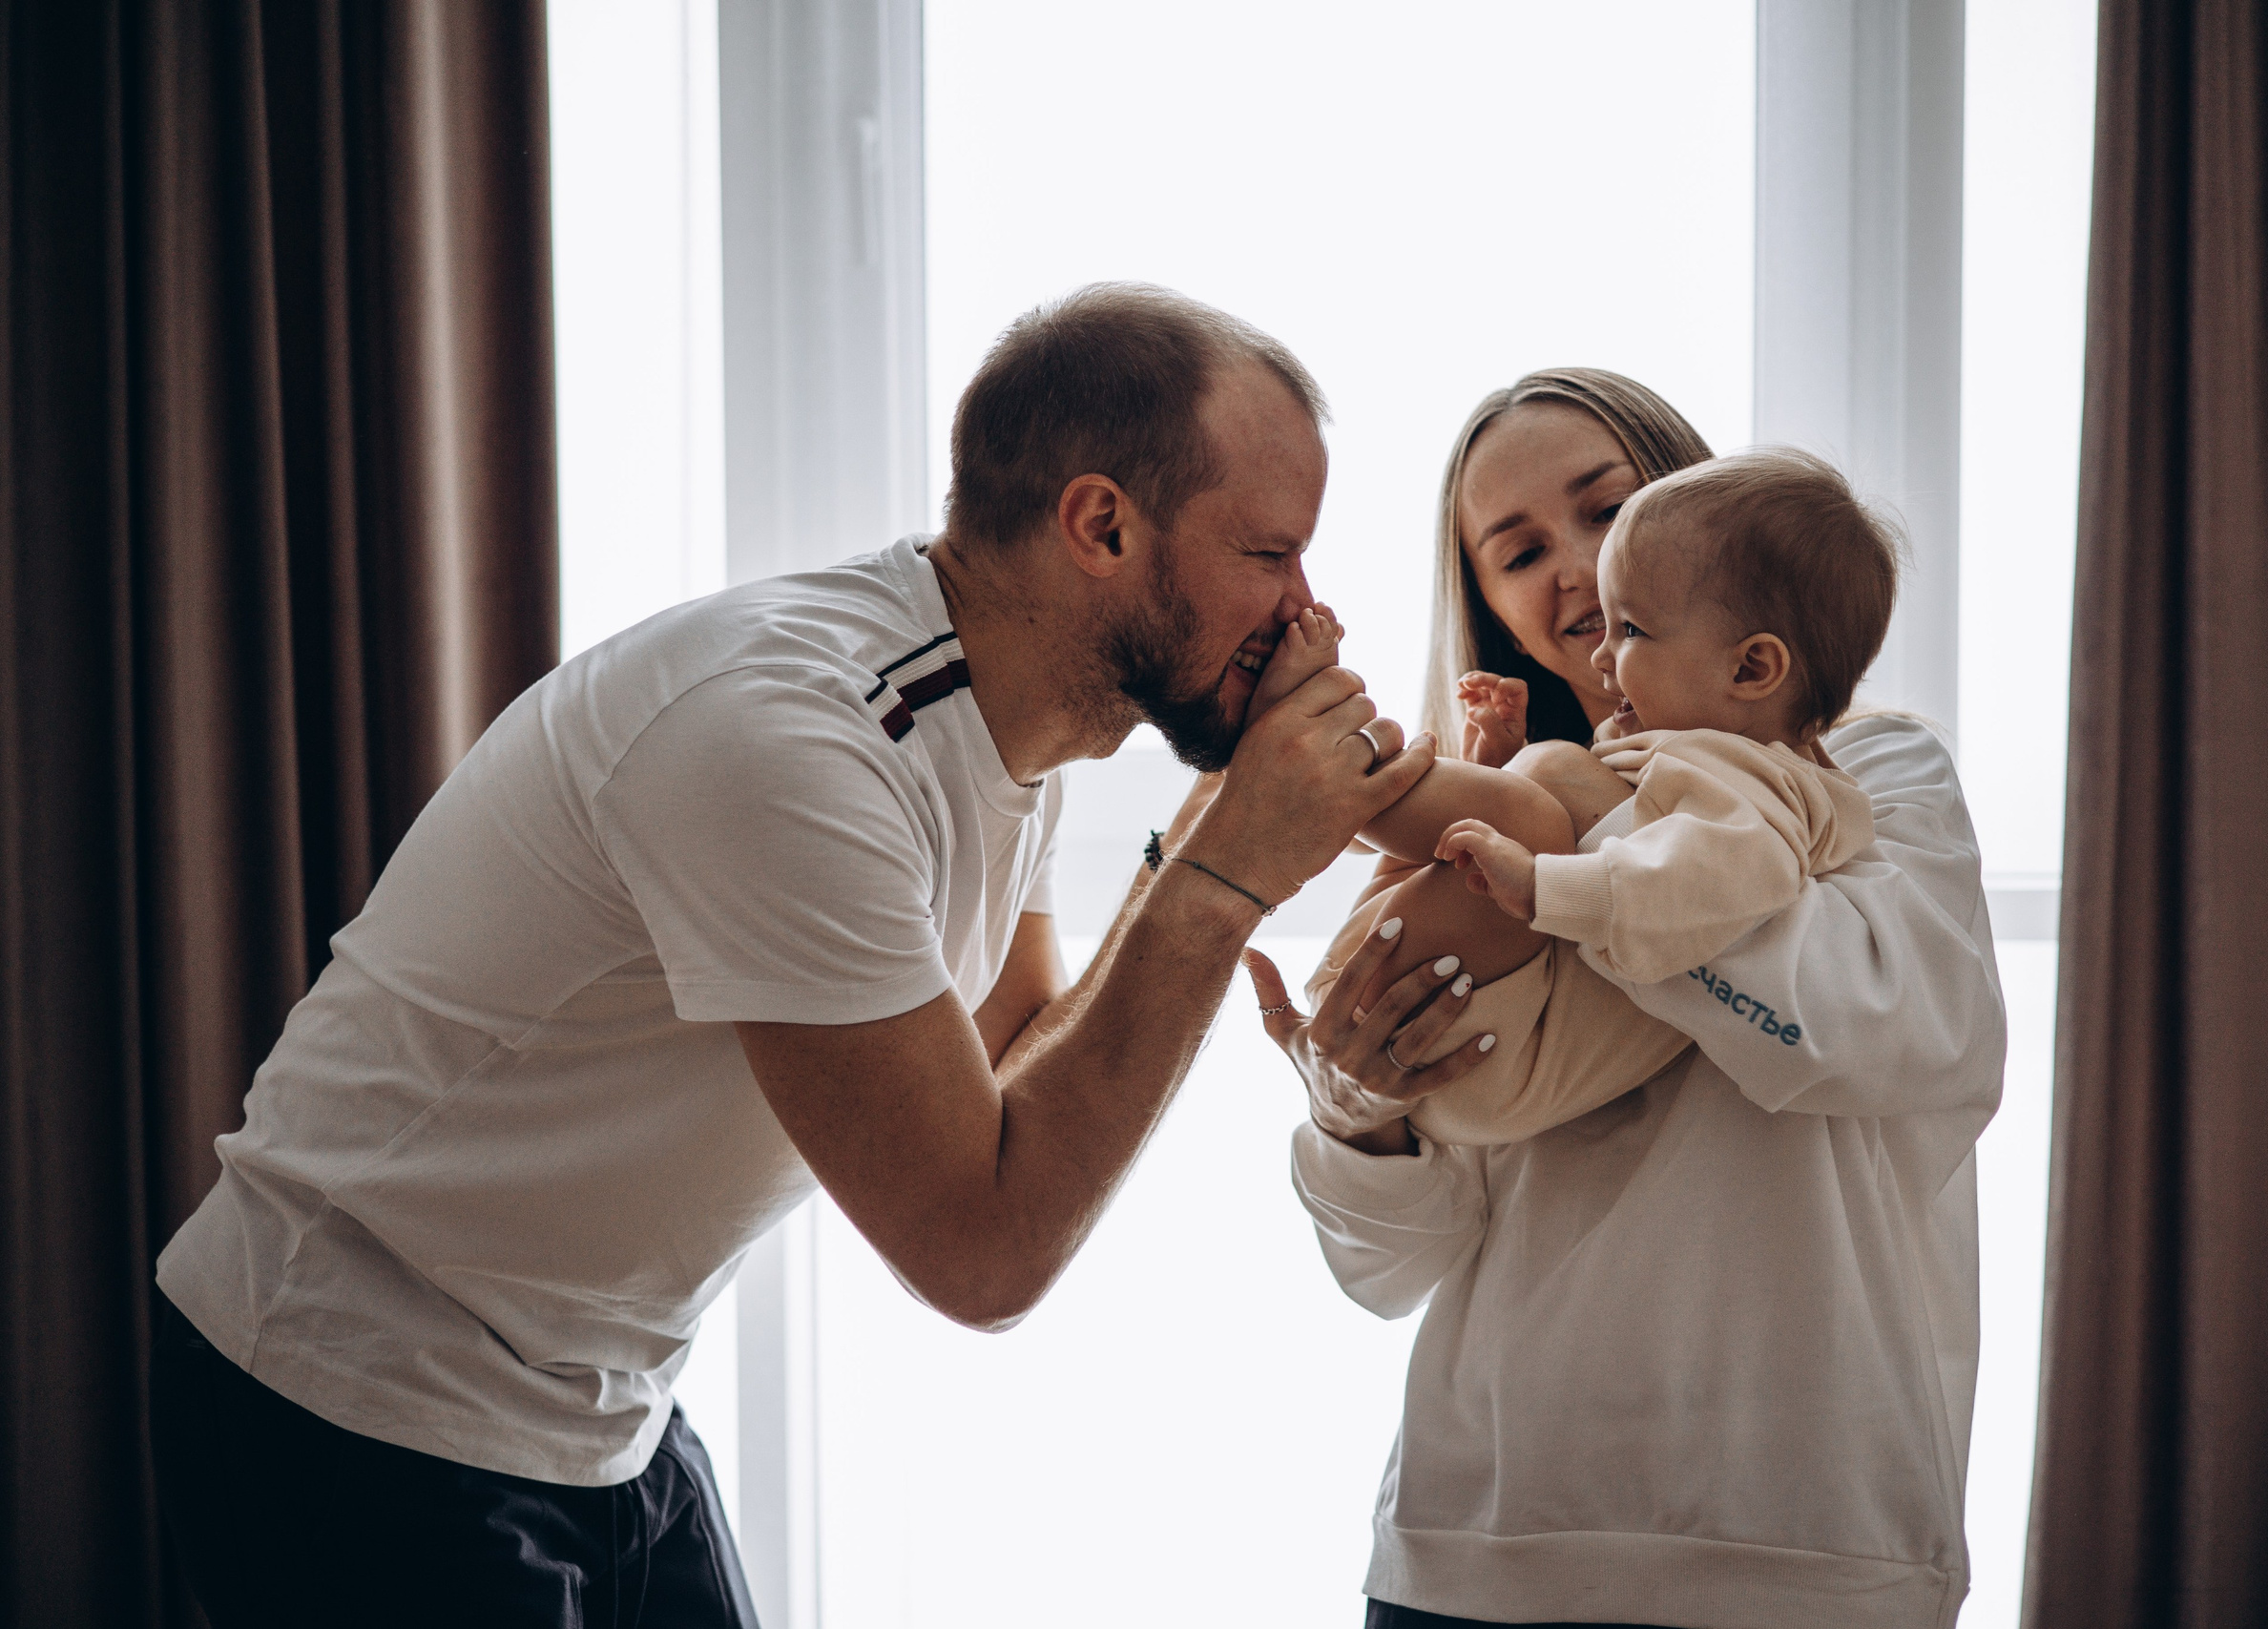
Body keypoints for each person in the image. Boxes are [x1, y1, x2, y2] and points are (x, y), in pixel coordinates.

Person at [146, 283, 1441, 1628]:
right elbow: (981, 1249)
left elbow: (1013, 1071)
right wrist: (1223, 876)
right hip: (345, 1392)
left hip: (603, 1397)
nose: (1309, 614)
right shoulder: (790, 742)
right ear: (1101, 523)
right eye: (1273, 553)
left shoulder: (1014, 731)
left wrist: (1198, 857)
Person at [1243, 369, 2007, 1629]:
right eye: (1520, 548)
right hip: (1480, 1542)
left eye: (1608, 508)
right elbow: (1391, 1269)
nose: (1582, 567)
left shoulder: (1860, 776)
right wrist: (1359, 1109)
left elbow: (1886, 1031)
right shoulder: (1486, 840)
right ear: (1489, 604)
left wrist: (1581, 873)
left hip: (1802, 1547)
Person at [1266, 448, 1890, 1143]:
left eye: (1632, 629)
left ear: (1750, 666)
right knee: (1538, 784)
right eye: (1523, 553)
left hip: (1498, 1057)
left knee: (1542, 790)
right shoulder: (1701, 756)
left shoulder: (1770, 788)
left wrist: (1541, 884)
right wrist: (1503, 765)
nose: (1600, 641)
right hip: (1424, 1028)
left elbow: (1708, 882)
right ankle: (1334, 777)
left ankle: (1324, 761)